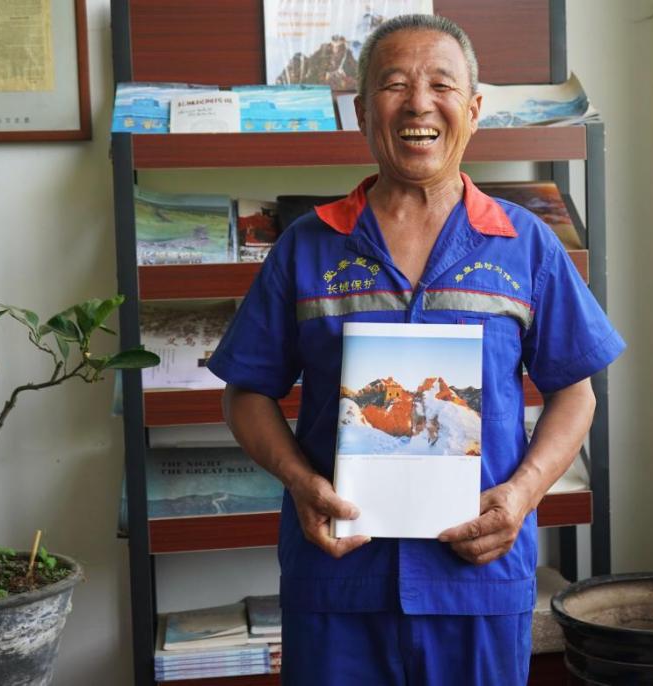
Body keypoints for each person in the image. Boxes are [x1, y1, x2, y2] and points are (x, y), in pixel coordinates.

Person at [207, 13, 625, 686]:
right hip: (338, 580)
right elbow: (247, 392)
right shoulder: (307, 247)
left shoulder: (526, 246)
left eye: (441, 84)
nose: (419, 103)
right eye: (395, 84)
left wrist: (519, 496)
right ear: (361, 111)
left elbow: (575, 392)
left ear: (474, 109)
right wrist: (299, 481)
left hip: (476, 582)